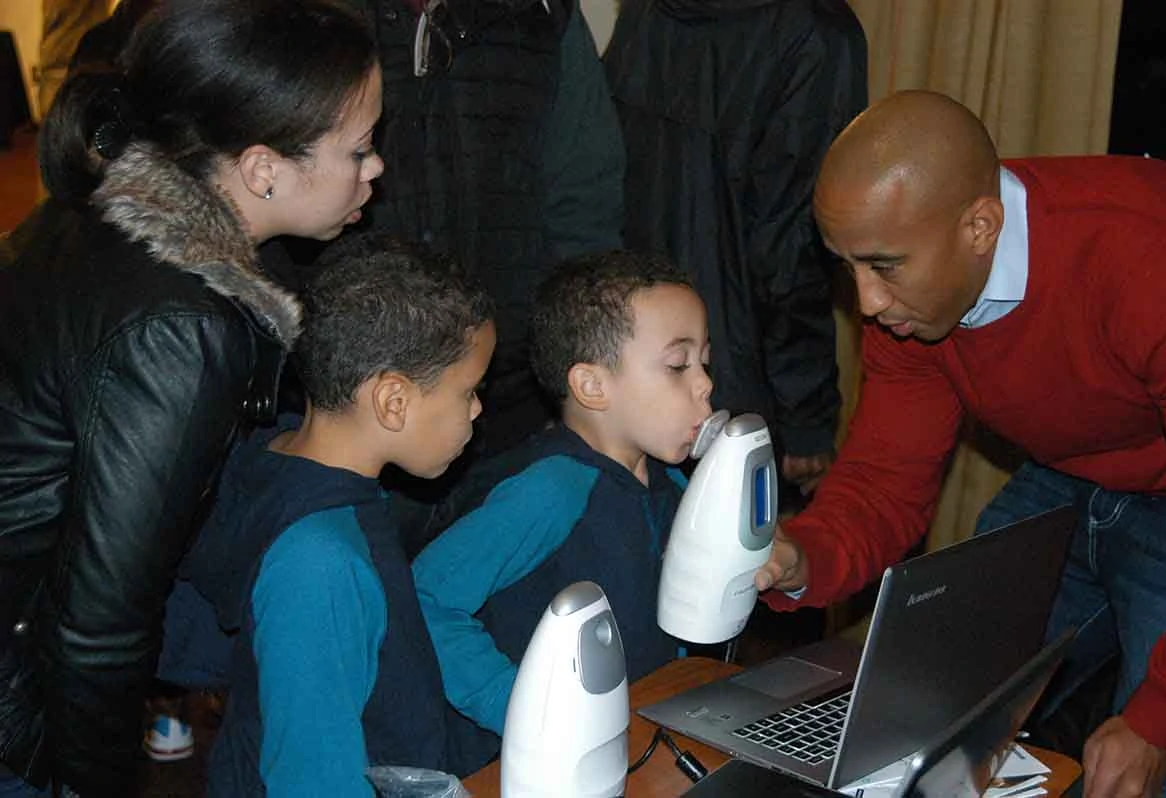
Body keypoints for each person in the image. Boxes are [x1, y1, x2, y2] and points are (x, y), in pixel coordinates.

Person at [753, 90, 1166, 798]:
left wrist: (1162, 723)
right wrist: (798, 556)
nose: (865, 302)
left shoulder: (1161, 259)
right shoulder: (915, 303)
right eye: (848, 267)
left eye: (884, 266)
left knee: (1155, 770)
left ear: (981, 227)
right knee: (915, 711)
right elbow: (882, 483)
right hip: (1070, 472)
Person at [0, 0, 383, 793]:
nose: (375, 169)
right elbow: (98, 625)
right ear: (263, 168)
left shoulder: (103, 217)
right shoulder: (181, 326)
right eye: (360, 148)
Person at [173, 233, 494, 795]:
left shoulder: (274, 456)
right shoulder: (319, 563)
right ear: (393, 402)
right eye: (468, 390)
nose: (478, 408)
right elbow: (312, 778)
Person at [344, 0, 627, 555]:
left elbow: (585, 210)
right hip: (349, 416)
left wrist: (571, 375)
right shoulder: (313, 17)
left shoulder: (544, 14)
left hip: (507, 411)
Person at [413, 251, 713, 765]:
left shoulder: (673, 480)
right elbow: (424, 600)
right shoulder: (551, 490)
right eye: (678, 365)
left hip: (634, 741)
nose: (705, 382)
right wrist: (523, 711)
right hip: (528, 767)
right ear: (592, 386)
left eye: (705, 361)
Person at [604, 0, 866, 496]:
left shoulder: (651, 9)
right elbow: (792, 247)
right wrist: (806, 413)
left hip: (625, 356)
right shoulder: (817, 33)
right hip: (735, 380)